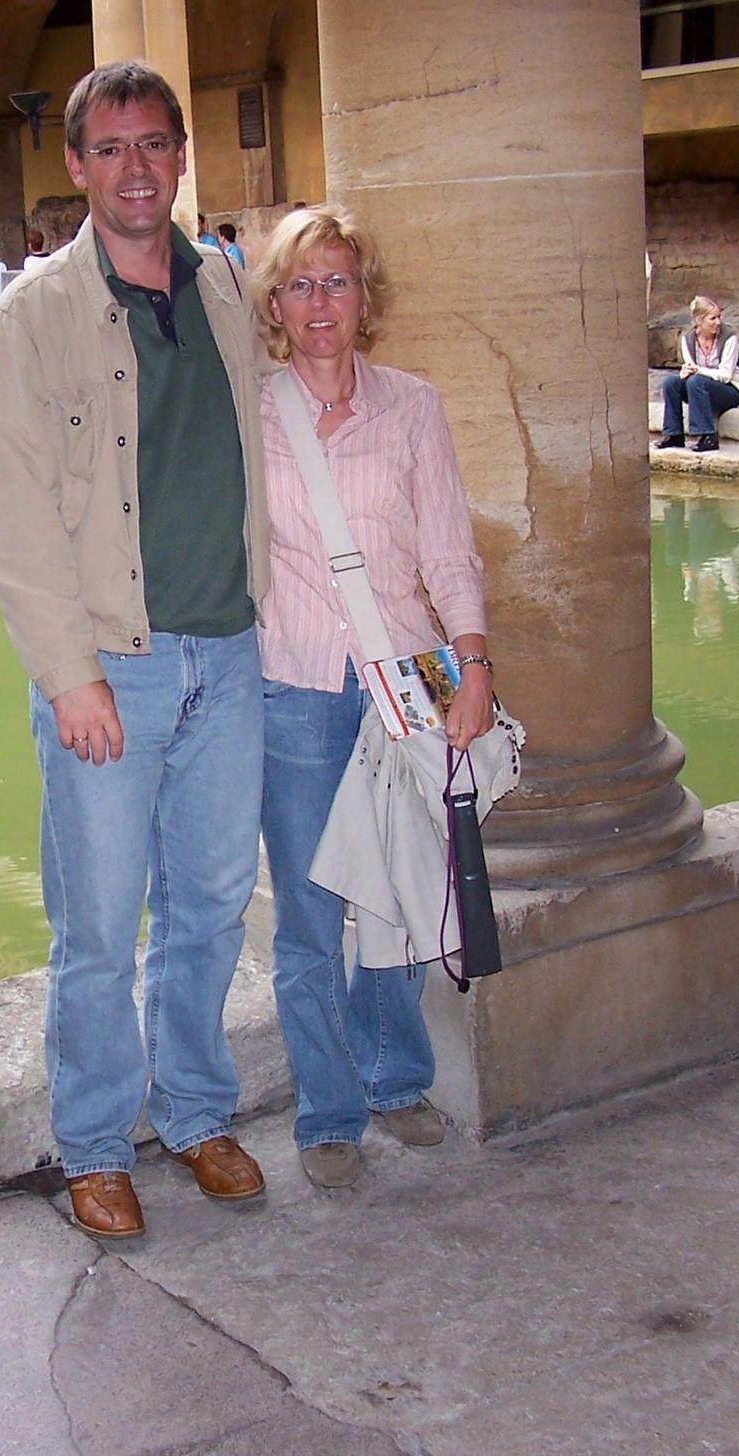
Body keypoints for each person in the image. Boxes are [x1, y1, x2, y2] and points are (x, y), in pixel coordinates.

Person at [0, 61, 272, 1240]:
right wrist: (69, 676)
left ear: (181, 155)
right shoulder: (33, 313)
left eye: (152, 144)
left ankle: (194, 1112)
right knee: (98, 928)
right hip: (113, 666)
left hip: (230, 654)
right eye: (109, 149)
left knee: (208, 908)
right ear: (75, 165)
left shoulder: (224, 290)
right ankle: (96, 1143)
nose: (134, 168)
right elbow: (13, 521)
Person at [249, 204, 490, 1188]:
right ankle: (327, 1111)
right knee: (310, 913)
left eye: (338, 281)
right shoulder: (251, 414)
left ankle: (395, 1077)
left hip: (412, 672)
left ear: (364, 297)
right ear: (274, 303)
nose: (320, 302)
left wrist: (473, 666)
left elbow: (448, 549)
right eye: (300, 284)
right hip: (295, 680)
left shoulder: (412, 406)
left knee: (403, 888)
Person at [656, 295, 739, 452]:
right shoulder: (687, 339)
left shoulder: (729, 337)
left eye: (719, 317)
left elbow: (725, 375)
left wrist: (697, 370)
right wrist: (685, 372)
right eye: (712, 318)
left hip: (730, 389)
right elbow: (691, 368)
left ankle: (708, 436)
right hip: (698, 388)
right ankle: (674, 434)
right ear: (699, 320)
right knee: (671, 382)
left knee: (696, 381)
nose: (718, 322)